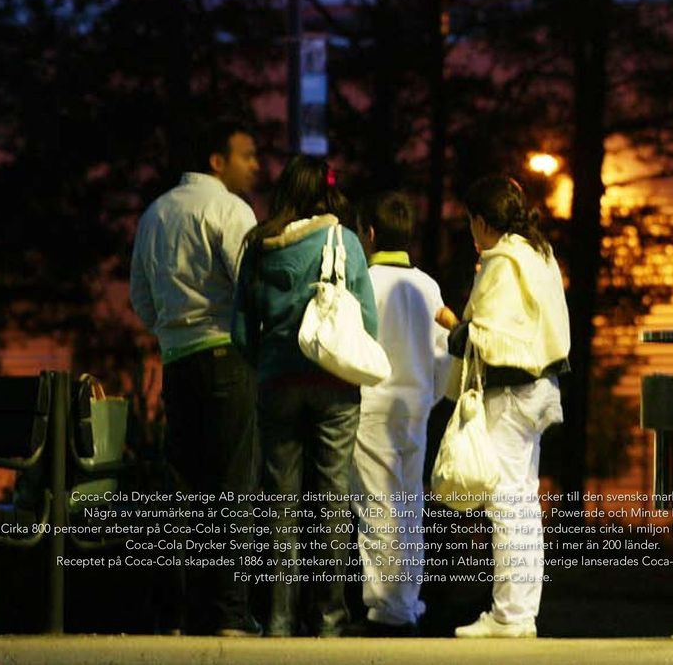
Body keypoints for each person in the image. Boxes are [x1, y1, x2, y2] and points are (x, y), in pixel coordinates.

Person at [232, 156, 378, 638]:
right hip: (334, 385)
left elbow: (239, 331)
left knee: (280, 502)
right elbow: (368, 323)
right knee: (332, 499)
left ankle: (277, 618)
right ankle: (329, 617)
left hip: (277, 384)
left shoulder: (258, 245)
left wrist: (268, 362)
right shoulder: (345, 242)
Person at [129, 118, 260, 637]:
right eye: (247, 156)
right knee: (233, 487)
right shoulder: (230, 209)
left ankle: (179, 611)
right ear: (217, 160)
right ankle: (227, 613)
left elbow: (141, 297)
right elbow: (249, 285)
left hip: (177, 363)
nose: (255, 165)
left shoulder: (154, 214)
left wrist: (170, 328)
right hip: (227, 354)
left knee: (184, 489)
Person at [437, 174, 570, 640]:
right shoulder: (538, 255)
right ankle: (520, 611)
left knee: (506, 503)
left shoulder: (503, 261)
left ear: (480, 220)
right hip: (540, 390)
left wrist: (453, 326)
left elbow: (490, 341)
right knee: (522, 502)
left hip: (510, 395)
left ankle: (510, 616)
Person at [351, 192, 450, 635]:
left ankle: (387, 609)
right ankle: (406, 601)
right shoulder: (428, 287)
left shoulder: (363, 284)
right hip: (417, 409)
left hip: (372, 406)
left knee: (377, 507)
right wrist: (429, 396)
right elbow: (443, 355)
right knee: (409, 507)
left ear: (368, 234)